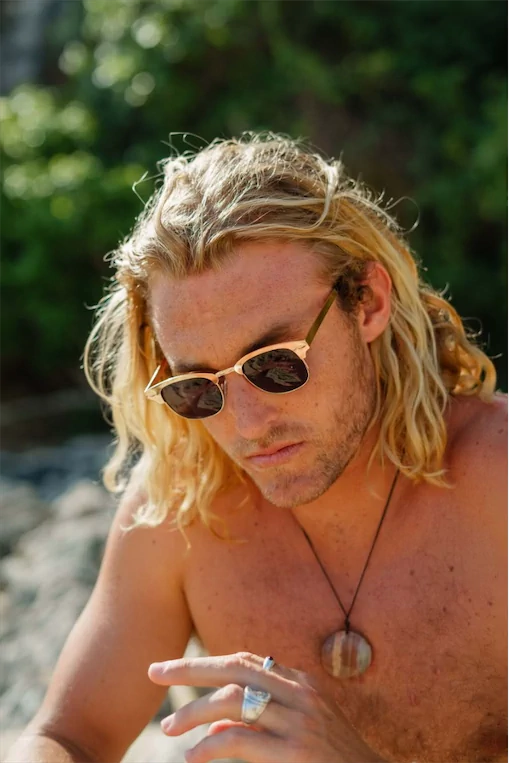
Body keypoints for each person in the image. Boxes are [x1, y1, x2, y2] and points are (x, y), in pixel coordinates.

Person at [7, 134, 507, 763]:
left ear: (368, 303)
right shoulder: (185, 505)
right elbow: (69, 735)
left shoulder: (497, 480)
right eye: (197, 388)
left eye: (275, 364)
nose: (246, 425)